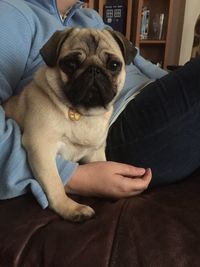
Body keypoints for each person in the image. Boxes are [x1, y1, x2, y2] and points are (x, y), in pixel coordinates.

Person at [0, 0, 198, 210]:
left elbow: (140, 62)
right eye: (73, 64)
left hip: (149, 102)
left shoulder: (90, 18)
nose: (93, 74)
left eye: (112, 66)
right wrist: (74, 176)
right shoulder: (13, 13)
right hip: (122, 125)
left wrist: (177, 87)